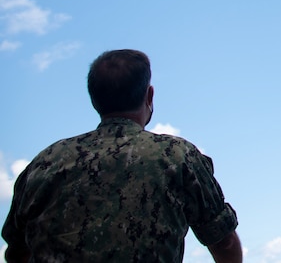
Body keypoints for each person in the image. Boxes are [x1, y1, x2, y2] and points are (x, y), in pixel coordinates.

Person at [2, 49, 243, 263]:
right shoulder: (177, 157)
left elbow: (16, 251)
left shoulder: (44, 163)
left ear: (95, 99)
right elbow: (224, 242)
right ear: (149, 96)